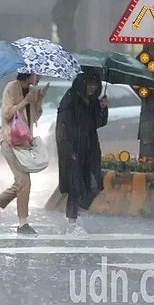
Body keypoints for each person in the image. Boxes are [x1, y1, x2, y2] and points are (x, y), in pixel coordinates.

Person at [0, 72, 48, 234]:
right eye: (36, 75)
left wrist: (39, 99)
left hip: (24, 142)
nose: (39, 78)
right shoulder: (12, 87)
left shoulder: (31, 91)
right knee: (24, 182)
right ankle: (22, 224)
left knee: (20, 183)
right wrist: (25, 101)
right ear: (28, 74)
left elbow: (35, 118)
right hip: (10, 141)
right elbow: (7, 114)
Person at [55, 72, 108, 235]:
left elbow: (98, 123)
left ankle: (77, 214)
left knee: (94, 184)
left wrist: (103, 109)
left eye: (95, 85)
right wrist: (68, 150)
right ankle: (72, 222)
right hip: (73, 150)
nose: (92, 88)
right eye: (89, 85)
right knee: (75, 187)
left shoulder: (92, 101)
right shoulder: (70, 100)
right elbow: (62, 127)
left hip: (90, 149)